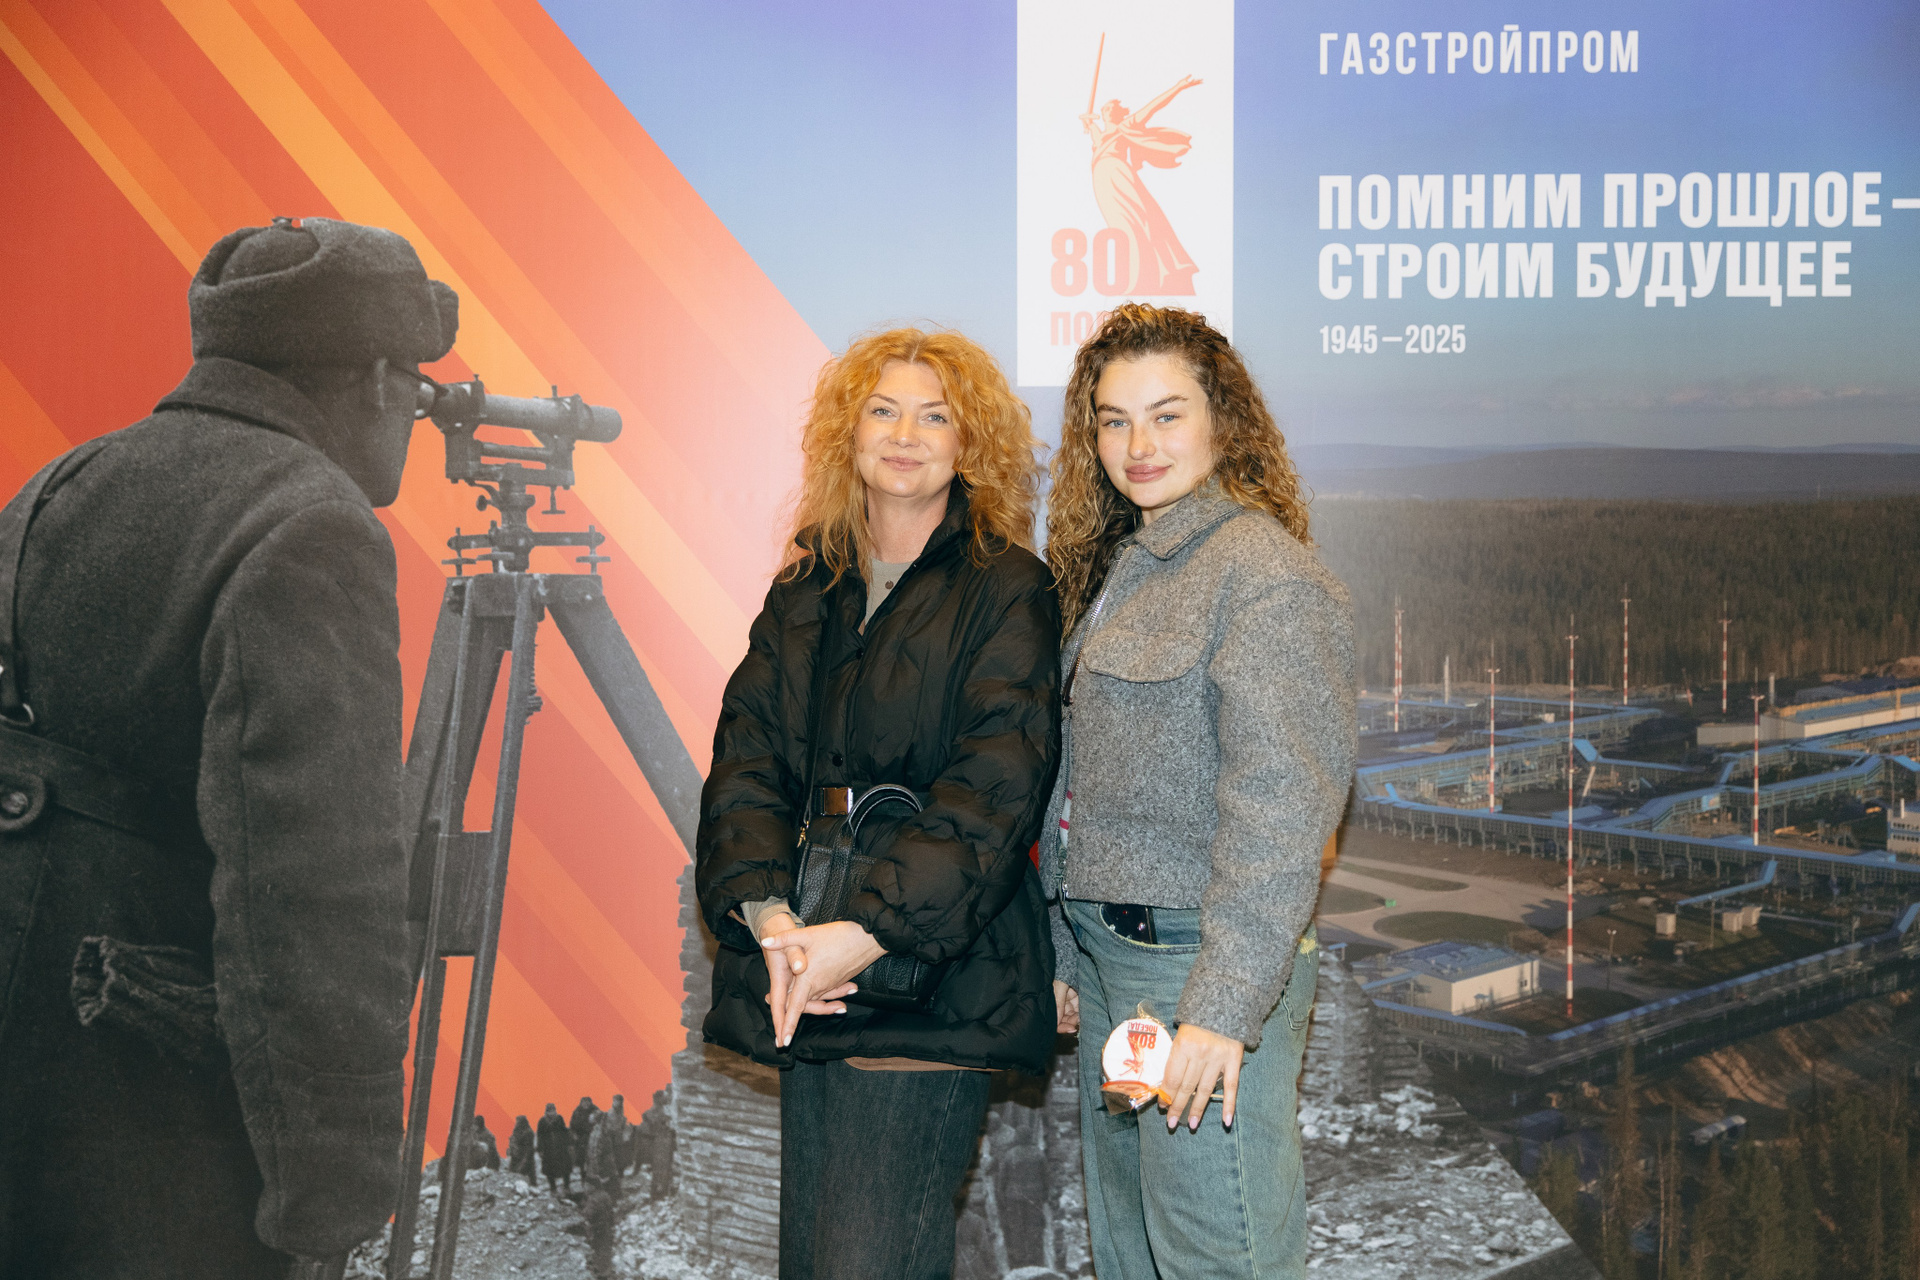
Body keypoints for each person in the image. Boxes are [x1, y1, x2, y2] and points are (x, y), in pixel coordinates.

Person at [0, 216, 458, 1278]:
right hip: (146, 1139)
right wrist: (328, 1194)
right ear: (378, 378)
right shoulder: (309, 523)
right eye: (418, 387)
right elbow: (314, 890)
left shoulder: (60, 484)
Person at [696, 327, 1061, 1280]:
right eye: (883, 410)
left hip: (934, 980)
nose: (905, 435)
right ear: (847, 434)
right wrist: (771, 920)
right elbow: (747, 761)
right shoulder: (805, 586)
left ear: (969, 445)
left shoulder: (1008, 587)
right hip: (806, 973)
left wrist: (862, 935)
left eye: (935, 417)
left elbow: (994, 794)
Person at [1039, 303, 1355, 1279]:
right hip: (1113, 966)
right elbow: (1082, 785)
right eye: (1115, 420)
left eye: (1167, 415)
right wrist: (1066, 950)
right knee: (1130, 1254)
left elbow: (1283, 810)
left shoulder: (1264, 576)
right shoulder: (1119, 568)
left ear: (1223, 422)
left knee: (1220, 1259)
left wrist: (1221, 1008)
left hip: (1197, 970)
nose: (1139, 445)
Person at [537, 1103, 573, 1193]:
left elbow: (564, 1132)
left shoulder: (559, 1118)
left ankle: (567, 1186)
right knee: (549, 1170)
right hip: (548, 1149)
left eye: (553, 1111)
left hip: (561, 1148)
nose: (552, 1113)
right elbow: (540, 1136)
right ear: (546, 1112)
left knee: (565, 1168)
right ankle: (553, 1188)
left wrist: (569, 1143)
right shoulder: (542, 1121)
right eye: (550, 1111)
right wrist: (540, 1149)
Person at [569, 1095, 599, 1175]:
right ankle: (582, 1172)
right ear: (581, 1103)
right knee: (581, 1156)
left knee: (593, 1156)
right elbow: (572, 1125)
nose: (586, 1104)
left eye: (587, 1102)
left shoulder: (595, 1111)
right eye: (584, 1102)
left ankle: (594, 1174)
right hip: (580, 1137)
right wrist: (574, 1134)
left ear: (590, 1103)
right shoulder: (577, 1112)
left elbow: (601, 1123)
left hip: (593, 1136)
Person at [507, 1115, 537, 1182]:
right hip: (515, 1157)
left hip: (525, 1157)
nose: (517, 1123)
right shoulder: (516, 1130)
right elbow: (513, 1140)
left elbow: (529, 1149)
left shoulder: (528, 1132)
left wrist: (524, 1161)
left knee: (527, 1175)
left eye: (518, 1121)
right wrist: (511, 1149)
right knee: (513, 1176)